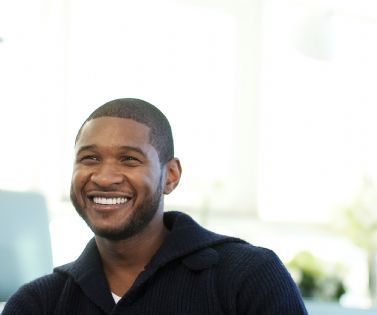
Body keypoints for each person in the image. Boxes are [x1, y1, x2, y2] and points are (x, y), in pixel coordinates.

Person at [3, 98, 308, 314]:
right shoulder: (38, 302)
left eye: (129, 159)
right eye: (90, 158)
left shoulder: (248, 277)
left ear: (170, 176)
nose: (105, 177)